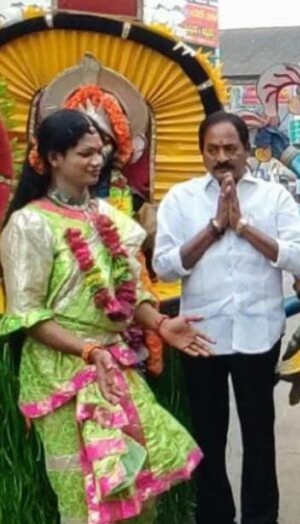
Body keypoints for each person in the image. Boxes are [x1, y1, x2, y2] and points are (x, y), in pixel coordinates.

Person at [0, 109, 213, 523]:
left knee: (138, 486)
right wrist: (88, 349)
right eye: (85, 153)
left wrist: (161, 324)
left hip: (113, 369)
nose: (97, 161)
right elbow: (28, 315)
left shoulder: (108, 217)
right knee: (83, 496)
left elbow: (130, 295)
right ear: (53, 158)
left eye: (100, 151)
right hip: (61, 376)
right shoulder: (29, 225)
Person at [153, 110, 300, 524]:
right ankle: (215, 516)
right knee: (208, 436)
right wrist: (214, 228)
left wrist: (243, 227)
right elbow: (165, 266)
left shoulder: (274, 197)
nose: (222, 158)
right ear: (202, 152)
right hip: (201, 336)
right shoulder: (181, 199)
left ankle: (261, 518)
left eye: (230, 149)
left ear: (246, 150)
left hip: (259, 332)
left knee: (259, 436)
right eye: (213, 150)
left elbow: (298, 257)